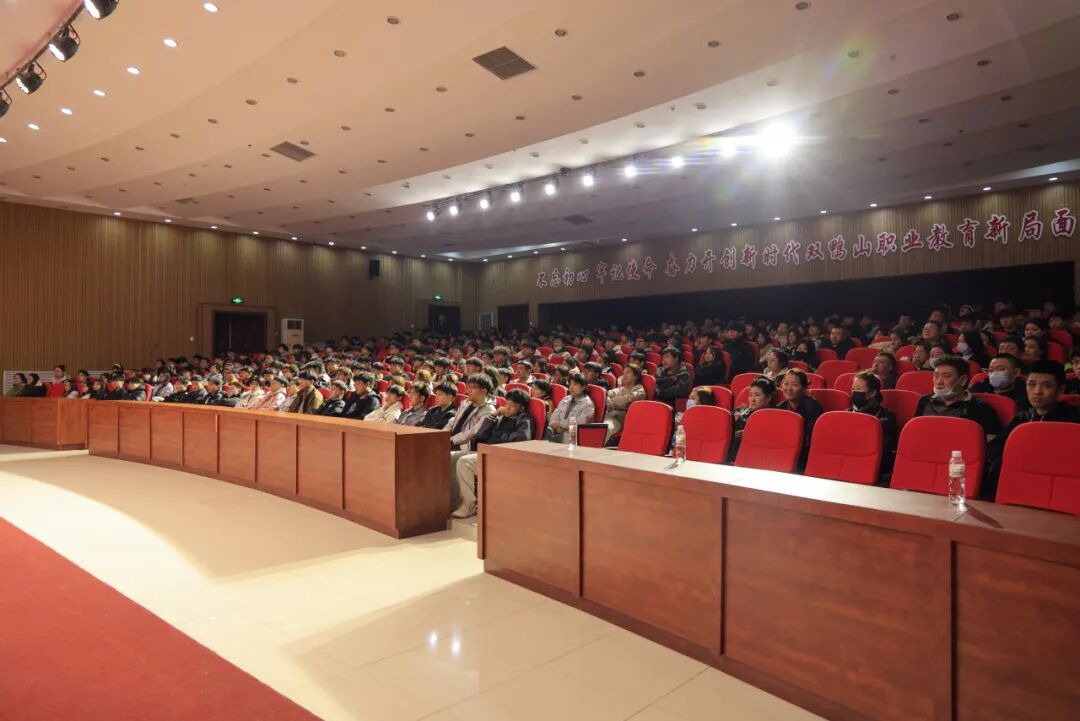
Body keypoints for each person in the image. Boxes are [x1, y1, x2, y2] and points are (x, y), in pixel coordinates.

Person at [984, 360, 1080, 500]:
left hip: (1057, 488)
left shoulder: (1072, 421)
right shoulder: (1023, 417)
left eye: (1047, 386)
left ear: (1060, 390)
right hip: (1020, 483)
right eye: (1031, 384)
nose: (1037, 392)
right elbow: (995, 448)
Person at [451, 388, 534, 518]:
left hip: (502, 456)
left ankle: (469, 504)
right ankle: (455, 500)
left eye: (512, 406)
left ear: (522, 408)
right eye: (506, 404)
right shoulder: (500, 417)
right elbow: (481, 435)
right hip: (487, 452)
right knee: (451, 457)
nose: (507, 408)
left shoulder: (525, 419)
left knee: (465, 462)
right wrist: (493, 416)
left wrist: (498, 439)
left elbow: (522, 438)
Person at [915, 355, 1002, 439]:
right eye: (936, 376)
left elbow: (991, 442)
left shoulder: (980, 408)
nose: (939, 382)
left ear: (963, 380)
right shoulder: (925, 400)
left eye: (946, 376)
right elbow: (916, 432)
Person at [448, 374, 498, 511]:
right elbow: (453, 421)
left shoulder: (489, 410)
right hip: (455, 442)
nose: (468, 390)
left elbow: (474, 432)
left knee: (458, 460)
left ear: (484, 391)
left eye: (472, 388)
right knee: (445, 458)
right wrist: (443, 434)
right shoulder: (465, 403)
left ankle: (468, 504)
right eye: (468, 387)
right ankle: (454, 501)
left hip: (471, 447)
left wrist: (451, 440)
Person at [849, 370, 898, 475]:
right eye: (853, 389)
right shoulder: (845, 415)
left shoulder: (887, 417)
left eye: (859, 389)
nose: (854, 392)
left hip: (874, 469)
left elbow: (885, 450)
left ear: (872, 393)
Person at [779, 368, 824, 470]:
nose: (789, 388)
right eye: (786, 384)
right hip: (782, 450)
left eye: (794, 385)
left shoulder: (813, 407)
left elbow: (809, 440)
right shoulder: (780, 407)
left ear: (804, 388)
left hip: (803, 454)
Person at [730, 376, 775, 461]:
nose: (752, 399)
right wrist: (731, 422)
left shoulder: (771, 416)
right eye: (750, 395)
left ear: (768, 397)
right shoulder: (740, 410)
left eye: (757, 395)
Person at [548, 372, 596, 443]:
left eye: (575, 384)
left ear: (583, 387)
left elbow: (580, 423)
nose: (571, 387)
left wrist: (561, 426)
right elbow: (556, 413)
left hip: (575, 436)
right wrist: (555, 424)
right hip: (558, 431)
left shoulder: (588, 404)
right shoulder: (566, 398)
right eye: (570, 384)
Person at [603, 363, 646, 441]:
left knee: (604, 429)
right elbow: (606, 395)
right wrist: (611, 400)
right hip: (609, 415)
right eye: (623, 373)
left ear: (636, 376)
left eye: (628, 372)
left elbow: (622, 401)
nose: (624, 375)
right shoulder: (622, 389)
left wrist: (611, 402)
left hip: (621, 420)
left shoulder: (640, 392)